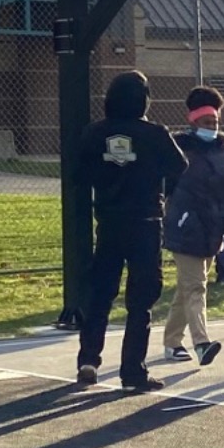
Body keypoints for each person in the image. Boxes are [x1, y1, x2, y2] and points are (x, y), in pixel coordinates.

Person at [73, 70, 187, 392]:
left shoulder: (95, 133)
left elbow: (79, 174)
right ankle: (132, 370)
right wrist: (160, 191)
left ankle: (88, 359)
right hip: (145, 221)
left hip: (108, 221)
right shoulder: (154, 133)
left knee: (100, 294)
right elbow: (180, 167)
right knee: (141, 299)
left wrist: (107, 181)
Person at [161, 87, 224, 365]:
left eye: (216, 122)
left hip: (213, 230)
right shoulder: (178, 150)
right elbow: (163, 186)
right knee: (197, 287)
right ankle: (201, 343)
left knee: (188, 287)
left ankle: (172, 343)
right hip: (184, 228)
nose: (212, 127)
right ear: (193, 121)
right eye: (207, 122)